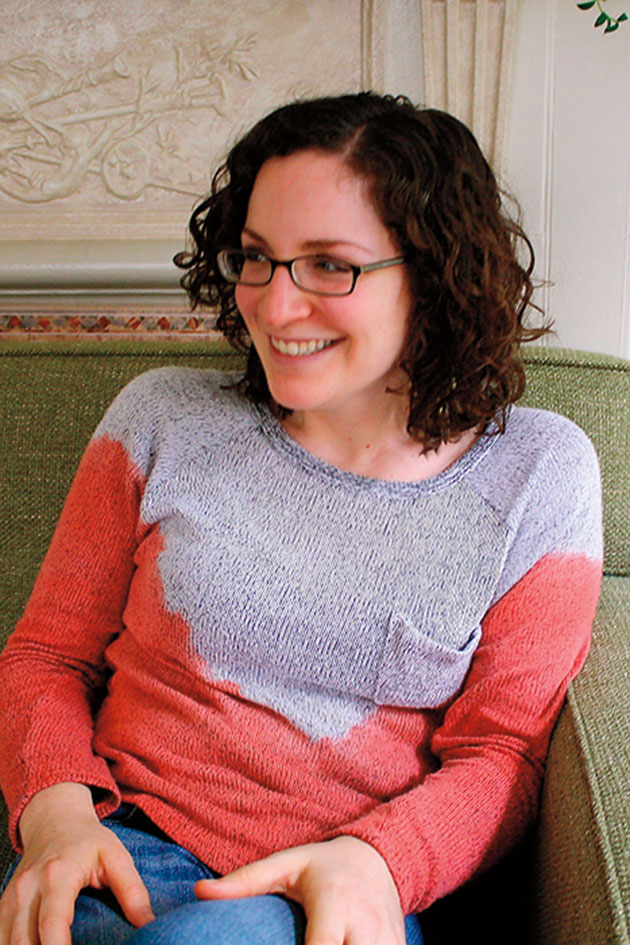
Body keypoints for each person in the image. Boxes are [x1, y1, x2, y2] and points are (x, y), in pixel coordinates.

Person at [0, 92, 603, 945]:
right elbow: (47, 656)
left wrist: (378, 861)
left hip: (344, 886)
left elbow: (503, 755)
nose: (275, 307)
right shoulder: (161, 418)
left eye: (329, 265)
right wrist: (56, 814)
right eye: (257, 257)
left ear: (436, 274)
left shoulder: (538, 472)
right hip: (117, 849)